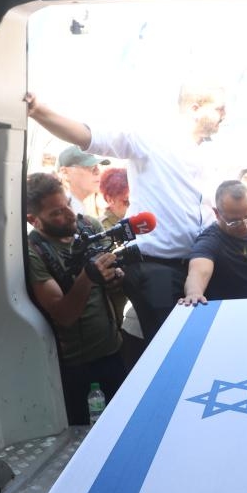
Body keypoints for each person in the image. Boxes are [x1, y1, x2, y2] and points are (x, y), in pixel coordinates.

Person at [24, 82, 227, 342]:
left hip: (200, 266)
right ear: (195, 108)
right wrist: (38, 111)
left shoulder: (206, 154)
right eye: (219, 108)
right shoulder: (150, 137)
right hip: (158, 270)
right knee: (171, 349)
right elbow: (86, 136)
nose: (225, 115)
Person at [24, 172, 126, 425]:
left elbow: (113, 282)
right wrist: (87, 276)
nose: (70, 215)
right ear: (33, 220)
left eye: (68, 204)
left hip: (113, 348)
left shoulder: (89, 226)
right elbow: (64, 315)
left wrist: (117, 278)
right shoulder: (33, 252)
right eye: (57, 213)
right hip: (77, 367)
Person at [179, 180, 247, 306]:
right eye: (234, 222)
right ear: (217, 214)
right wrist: (194, 293)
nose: (245, 225)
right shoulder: (210, 239)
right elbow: (198, 271)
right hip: (231, 310)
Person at [98, 167, 131, 328]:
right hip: (116, 308)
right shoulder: (101, 228)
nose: (131, 206)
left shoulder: (136, 221)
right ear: (109, 199)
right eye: (126, 202)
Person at [58, 146, 110, 217]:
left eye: (97, 166)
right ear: (65, 173)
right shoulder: (64, 212)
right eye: (90, 166)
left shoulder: (77, 206)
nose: (97, 172)